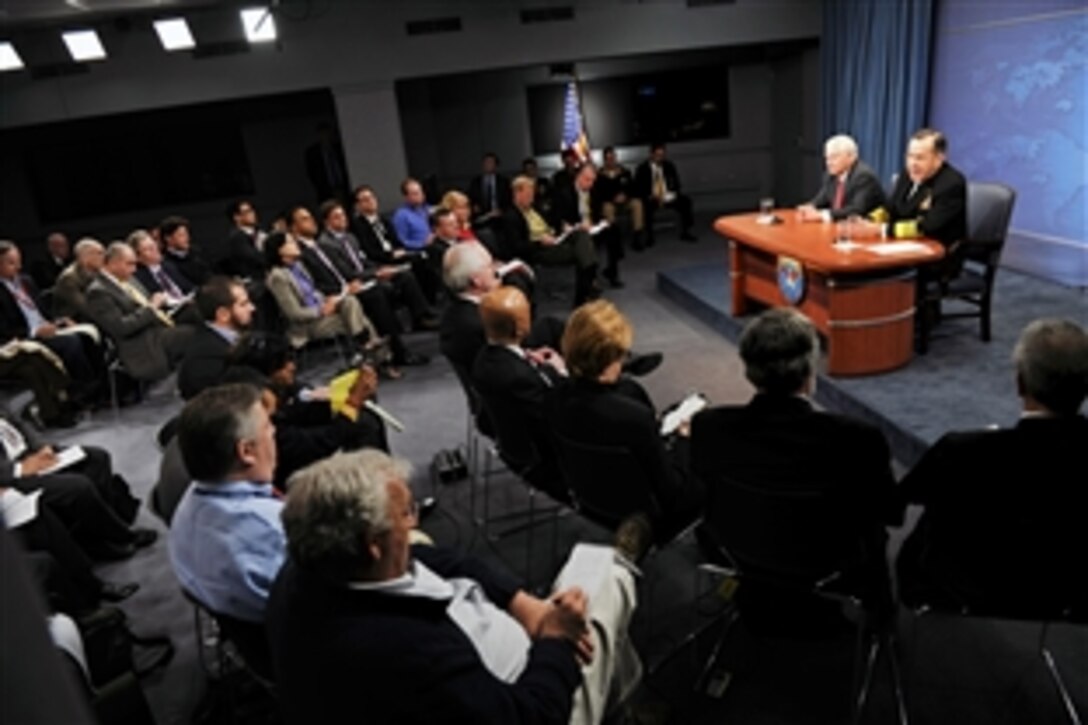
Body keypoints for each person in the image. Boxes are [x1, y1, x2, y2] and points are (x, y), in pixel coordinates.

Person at [267, 448, 651, 725]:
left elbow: (443, 560)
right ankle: (618, 695)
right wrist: (553, 639)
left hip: (493, 645)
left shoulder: (309, 570)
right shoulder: (411, 655)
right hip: (527, 690)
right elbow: (533, 716)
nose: (415, 524)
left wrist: (521, 602)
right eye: (406, 515)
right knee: (604, 576)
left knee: (590, 605)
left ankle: (617, 695)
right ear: (374, 543)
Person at [691, 308, 898, 610]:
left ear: (749, 369)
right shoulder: (857, 438)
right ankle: (880, 619)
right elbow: (891, 512)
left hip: (740, 550)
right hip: (828, 561)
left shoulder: (708, 426)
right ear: (809, 372)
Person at [896, 318, 1088, 616]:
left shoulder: (961, 451)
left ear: (1020, 383)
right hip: (1069, 598)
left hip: (966, 601)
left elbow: (897, 504)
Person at [548, 300, 700, 540]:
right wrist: (683, 440)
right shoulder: (633, 416)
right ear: (613, 355)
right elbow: (673, 495)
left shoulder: (554, 397)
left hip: (589, 499)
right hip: (646, 517)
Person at [169, 383, 284, 623]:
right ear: (246, 451)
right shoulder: (272, 530)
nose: (274, 432)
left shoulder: (189, 502)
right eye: (268, 426)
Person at [1, 409, 155, 560]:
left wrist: (42, 447)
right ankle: (120, 537)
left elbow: (18, 422)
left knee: (97, 458)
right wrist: (20, 469)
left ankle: (102, 530)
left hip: (28, 454)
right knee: (78, 486)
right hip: (11, 476)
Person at [472, 286, 567, 500]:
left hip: (509, 443)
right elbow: (553, 418)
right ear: (520, 327)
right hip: (542, 459)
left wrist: (528, 361)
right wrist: (560, 372)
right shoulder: (519, 378)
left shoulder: (482, 360)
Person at [0, 241, 103, 404]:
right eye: (11, 263)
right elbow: (4, 329)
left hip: (46, 326)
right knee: (71, 343)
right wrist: (34, 332)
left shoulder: (26, 281)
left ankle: (99, 387)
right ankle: (80, 392)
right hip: (24, 338)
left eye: (19, 261)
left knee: (88, 335)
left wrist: (60, 321)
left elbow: (43, 311)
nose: (18, 266)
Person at [85, 241, 193, 382]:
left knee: (198, 312)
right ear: (113, 264)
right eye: (129, 264)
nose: (134, 269)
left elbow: (148, 302)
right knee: (194, 334)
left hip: (158, 325)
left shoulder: (128, 279)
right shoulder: (98, 292)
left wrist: (162, 302)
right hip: (142, 340)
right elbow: (121, 327)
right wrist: (151, 308)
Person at [263, 231, 382, 357]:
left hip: (324, 310)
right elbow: (294, 313)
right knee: (359, 319)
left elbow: (313, 292)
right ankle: (374, 353)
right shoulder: (277, 277)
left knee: (350, 301)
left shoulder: (299, 266)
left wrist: (329, 300)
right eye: (291, 242)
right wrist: (321, 311)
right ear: (280, 250)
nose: (296, 243)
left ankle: (365, 348)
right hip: (308, 325)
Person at [503, 175, 600, 306]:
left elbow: (551, 222)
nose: (532, 198)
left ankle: (584, 291)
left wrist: (562, 227)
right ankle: (585, 288)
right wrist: (540, 242)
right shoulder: (511, 216)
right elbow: (516, 246)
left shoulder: (534, 208)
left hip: (554, 239)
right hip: (539, 249)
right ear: (517, 193)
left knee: (582, 235)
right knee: (583, 253)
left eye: (532, 194)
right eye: (528, 195)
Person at [350, 184, 439, 304]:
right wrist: (390, 255)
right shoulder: (357, 226)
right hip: (382, 260)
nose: (371, 201)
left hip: (396, 254)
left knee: (423, 258)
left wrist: (400, 250)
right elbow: (368, 251)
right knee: (411, 269)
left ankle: (431, 302)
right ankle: (423, 309)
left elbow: (397, 241)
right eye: (365, 200)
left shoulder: (384, 220)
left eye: (372, 197)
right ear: (358, 206)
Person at [177, 276, 255, 400]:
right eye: (243, 304)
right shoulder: (206, 358)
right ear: (223, 314)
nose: (252, 308)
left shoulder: (234, 337)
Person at [551, 162, 625, 288]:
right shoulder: (565, 193)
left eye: (593, 180)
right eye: (587, 180)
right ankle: (590, 280)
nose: (590, 184)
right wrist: (577, 225)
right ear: (578, 177)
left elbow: (597, 212)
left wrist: (602, 222)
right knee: (585, 240)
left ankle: (612, 272)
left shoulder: (594, 190)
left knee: (613, 230)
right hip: (576, 230)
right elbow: (558, 218)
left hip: (592, 226)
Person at [797, 134, 885, 222]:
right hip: (841, 228)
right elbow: (822, 199)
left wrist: (821, 215)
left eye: (834, 158)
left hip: (867, 230)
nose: (829, 163)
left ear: (851, 157)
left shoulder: (864, 177)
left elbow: (856, 210)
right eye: (827, 158)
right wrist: (809, 207)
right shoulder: (830, 175)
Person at [130, 229, 200, 325]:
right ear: (138, 258)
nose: (155, 250)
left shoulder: (168, 265)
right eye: (148, 249)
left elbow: (188, 286)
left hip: (188, 303)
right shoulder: (138, 278)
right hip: (170, 314)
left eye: (154, 245)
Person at [634, 143, 696, 243]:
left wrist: (671, 193)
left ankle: (686, 231)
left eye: (662, 155)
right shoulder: (643, 169)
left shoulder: (669, 166)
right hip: (651, 197)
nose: (660, 158)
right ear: (652, 155)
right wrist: (650, 195)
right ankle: (649, 236)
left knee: (685, 201)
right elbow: (638, 189)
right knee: (645, 206)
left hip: (667, 196)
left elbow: (677, 184)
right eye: (658, 155)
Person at [595, 147, 646, 250]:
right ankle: (615, 241)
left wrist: (625, 196)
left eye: (612, 158)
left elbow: (633, 189)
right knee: (607, 208)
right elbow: (598, 194)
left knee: (637, 203)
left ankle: (637, 237)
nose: (611, 161)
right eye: (608, 159)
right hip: (610, 203)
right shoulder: (599, 175)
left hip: (625, 202)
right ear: (604, 160)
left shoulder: (624, 172)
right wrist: (613, 198)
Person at [51, 238, 104, 322]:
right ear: (85, 257)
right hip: (74, 320)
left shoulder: (100, 272)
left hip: (96, 315)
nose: (104, 257)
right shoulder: (68, 279)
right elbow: (85, 308)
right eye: (100, 253)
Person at [160, 215, 211, 286]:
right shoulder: (165, 262)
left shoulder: (197, 252)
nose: (187, 238)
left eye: (186, 234)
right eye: (181, 235)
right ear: (168, 238)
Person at [468, 152, 512, 230]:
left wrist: (502, 210)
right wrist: (474, 205)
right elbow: (470, 197)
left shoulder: (503, 181)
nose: (488, 165)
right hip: (481, 215)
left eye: (490, 162)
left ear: (496, 165)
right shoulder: (476, 182)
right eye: (486, 162)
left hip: (499, 215)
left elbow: (509, 199)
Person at [391, 178, 434, 251]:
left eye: (420, 192)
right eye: (415, 193)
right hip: (419, 252)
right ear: (406, 197)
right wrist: (423, 244)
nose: (420, 195)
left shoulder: (428, 210)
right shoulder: (401, 216)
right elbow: (401, 242)